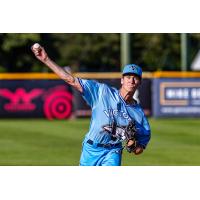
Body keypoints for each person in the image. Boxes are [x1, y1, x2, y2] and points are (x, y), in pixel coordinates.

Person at [31, 44, 151, 166]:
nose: (131, 80)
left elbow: (139, 149)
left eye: (135, 78)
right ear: (122, 80)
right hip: (91, 149)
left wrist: (133, 144)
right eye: (128, 77)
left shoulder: (139, 115)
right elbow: (70, 80)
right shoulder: (102, 92)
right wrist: (46, 59)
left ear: (139, 83)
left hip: (113, 151)